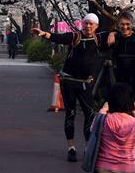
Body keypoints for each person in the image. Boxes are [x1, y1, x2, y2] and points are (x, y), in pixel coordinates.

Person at [32, 13, 108, 162]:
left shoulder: (99, 39)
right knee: (70, 114)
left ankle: (88, 147)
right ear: (82, 23)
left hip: (85, 83)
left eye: (91, 24)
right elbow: (59, 38)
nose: (88, 26)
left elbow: (117, 35)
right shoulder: (75, 37)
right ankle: (71, 148)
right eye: (86, 23)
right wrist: (44, 34)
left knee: (90, 114)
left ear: (97, 26)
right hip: (69, 81)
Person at [107, 11, 135, 162]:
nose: (125, 27)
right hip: (119, 85)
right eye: (122, 25)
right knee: (118, 118)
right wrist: (112, 32)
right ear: (118, 26)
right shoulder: (114, 39)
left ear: (132, 25)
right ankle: (119, 151)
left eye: (128, 25)